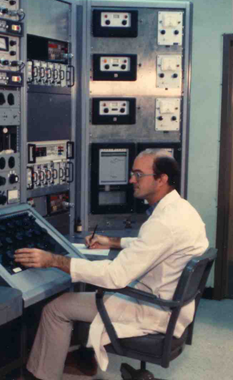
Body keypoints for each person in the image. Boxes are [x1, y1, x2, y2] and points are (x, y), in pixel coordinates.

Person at [14, 149, 209, 380]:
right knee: (88, 288)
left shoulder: (164, 222)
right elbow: (152, 245)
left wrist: (54, 260)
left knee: (57, 308)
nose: (131, 180)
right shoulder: (182, 210)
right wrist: (112, 242)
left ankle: (42, 376)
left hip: (152, 309)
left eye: (138, 174)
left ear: (161, 179)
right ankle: (83, 360)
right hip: (171, 306)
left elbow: (115, 277)